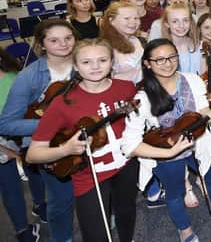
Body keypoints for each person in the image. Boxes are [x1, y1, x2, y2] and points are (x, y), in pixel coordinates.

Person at [121, 39, 211, 242]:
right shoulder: (142, 98)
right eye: (159, 60)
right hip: (166, 151)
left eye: (171, 57)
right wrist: (169, 153)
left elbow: (202, 108)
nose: (167, 63)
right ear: (147, 64)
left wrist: (210, 114)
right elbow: (129, 145)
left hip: (197, 142)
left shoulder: (192, 79)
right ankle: (184, 229)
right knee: (175, 192)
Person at [26, 39, 138, 242]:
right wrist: (65, 149)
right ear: (75, 66)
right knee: (96, 235)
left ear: (112, 62)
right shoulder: (63, 102)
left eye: (102, 60)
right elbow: (33, 154)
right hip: (89, 176)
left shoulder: (127, 88)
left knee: (127, 212)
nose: (95, 67)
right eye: (86, 62)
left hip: (126, 166)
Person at [0, 20, 80, 242]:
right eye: (54, 40)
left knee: (92, 195)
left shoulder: (86, 63)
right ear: (42, 44)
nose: (63, 44)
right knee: (62, 202)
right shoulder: (29, 76)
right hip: (50, 147)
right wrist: (55, 124)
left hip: (88, 140)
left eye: (68, 38)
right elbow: (6, 124)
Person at [0, 48, 41, 242]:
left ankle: (40, 204)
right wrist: (6, 150)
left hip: (24, 133)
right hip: (1, 143)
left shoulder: (16, 77)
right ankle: (22, 229)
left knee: (35, 169)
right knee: (10, 186)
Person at [101, 2, 144, 84]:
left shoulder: (135, 40)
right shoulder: (105, 46)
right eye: (127, 18)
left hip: (139, 88)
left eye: (136, 18)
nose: (133, 22)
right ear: (111, 21)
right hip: (120, 91)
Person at [161, 3, 204, 75]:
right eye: (175, 21)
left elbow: (204, 76)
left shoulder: (200, 46)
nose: (181, 25)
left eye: (185, 20)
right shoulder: (161, 50)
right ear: (167, 23)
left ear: (191, 22)